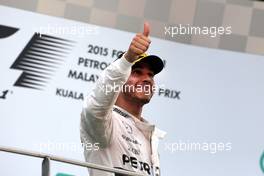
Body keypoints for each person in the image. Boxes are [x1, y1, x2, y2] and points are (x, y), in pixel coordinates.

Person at [80, 22, 166, 176]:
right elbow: (95, 107)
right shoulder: (104, 123)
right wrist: (127, 59)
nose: (147, 79)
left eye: (150, 75)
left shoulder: (149, 136)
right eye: (137, 72)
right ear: (120, 80)